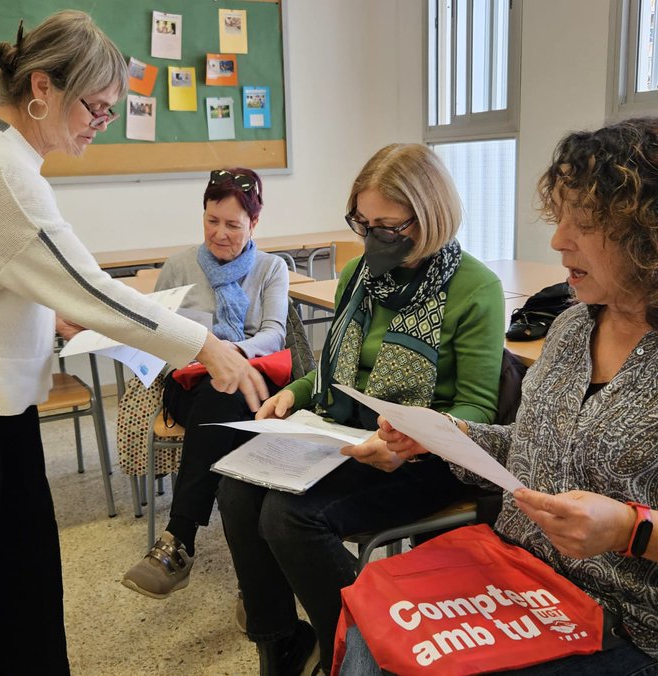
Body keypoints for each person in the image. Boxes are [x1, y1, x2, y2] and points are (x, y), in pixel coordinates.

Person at [0, 12, 267, 676]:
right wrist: (204, 345)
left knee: (20, 560)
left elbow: (11, 276)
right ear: (41, 88)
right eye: (95, 106)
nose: (103, 122)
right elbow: (85, 286)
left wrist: (57, 314)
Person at [341, 117, 658, 675]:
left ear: (655, 232)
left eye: (585, 222)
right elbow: (535, 453)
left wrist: (631, 529)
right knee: (373, 625)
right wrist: (448, 439)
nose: (557, 239)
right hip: (520, 582)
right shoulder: (575, 328)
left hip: (636, 625)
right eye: (560, 217)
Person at [219, 143, 508, 675]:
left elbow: (478, 413)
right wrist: (296, 394)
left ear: (430, 217)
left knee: (290, 518)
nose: (372, 237)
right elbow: (334, 370)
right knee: (236, 490)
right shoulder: (360, 273)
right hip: (345, 436)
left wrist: (411, 440)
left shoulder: (476, 288)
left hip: (428, 460)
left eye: (388, 227)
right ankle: (281, 642)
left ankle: (368, 655)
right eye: (363, 222)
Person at [120, 167, 290, 598]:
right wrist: (205, 354)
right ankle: (258, 583)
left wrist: (233, 354)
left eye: (233, 225)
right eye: (211, 221)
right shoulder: (178, 267)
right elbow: (156, 336)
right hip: (190, 384)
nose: (220, 234)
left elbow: (275, 332)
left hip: (250, 379)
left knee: (228, 394)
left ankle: (179, 541)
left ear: (255, 222)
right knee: (223, 401)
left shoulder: (271, 268)